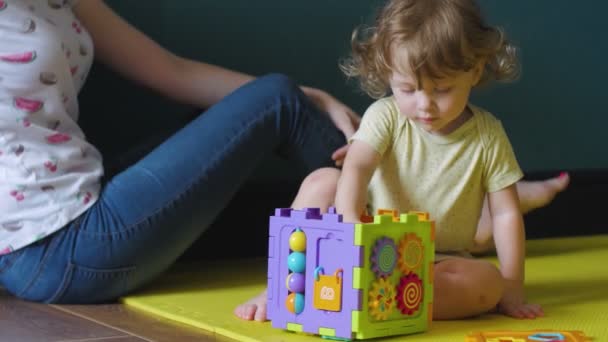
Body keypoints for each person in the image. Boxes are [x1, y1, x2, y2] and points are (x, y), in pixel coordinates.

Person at [0, 0, 361, 303]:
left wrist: (309, 96)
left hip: (85, 198)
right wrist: (287, 98)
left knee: (265, 105)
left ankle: (377, 227)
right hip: (57, 245)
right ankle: (391, 239)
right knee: (277, 98)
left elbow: (172, 71)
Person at [235, 0, 570, 322]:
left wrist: (512, 287)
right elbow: (357, 166)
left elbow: (506, 213)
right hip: (360, 254)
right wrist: (351, 223)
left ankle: (380, 302)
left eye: (441, 89)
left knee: (488, 285)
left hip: (434, 263)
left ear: (475, 70)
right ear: (388, 74)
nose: (425, 104)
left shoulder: (488, 136)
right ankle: (283, 289)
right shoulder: (386, 116)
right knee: (322, 181)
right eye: (408, 89)